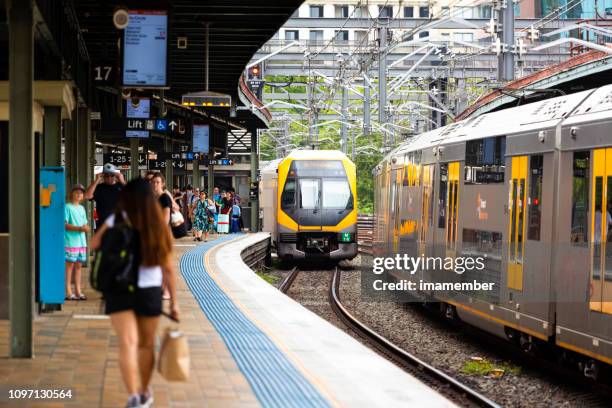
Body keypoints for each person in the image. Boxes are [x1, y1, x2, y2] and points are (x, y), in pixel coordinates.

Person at [91, 178, 179, 408]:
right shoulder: (157, 224)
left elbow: (94, 244)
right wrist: (174, 303)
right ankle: (143, 390)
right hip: (149, 290)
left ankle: (132, 396)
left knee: (127, 344)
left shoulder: (115, 219)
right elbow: (168, 267)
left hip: (119, 288)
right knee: (146, 345)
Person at [64, 184, 89, 301]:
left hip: (81, 242)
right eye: (76, 192)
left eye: (81, 193)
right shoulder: (67, 207)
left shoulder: (82, 208)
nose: (79, 194)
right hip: (70, 241)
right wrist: (80, 229)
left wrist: (85, 228)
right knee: (69, 266)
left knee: (79, 266)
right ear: (72, 194)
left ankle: (78, 291)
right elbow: (64, 224)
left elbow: (84, 223)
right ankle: (68, 291)